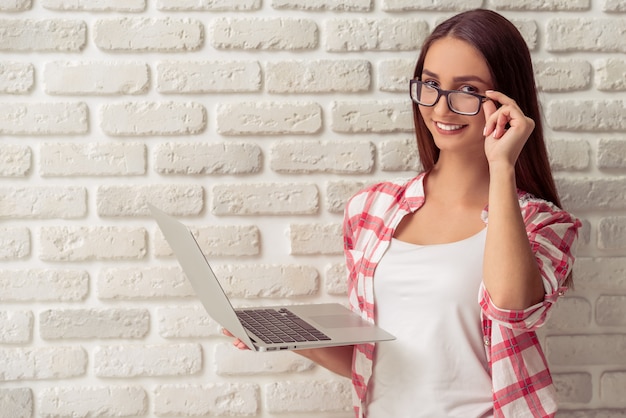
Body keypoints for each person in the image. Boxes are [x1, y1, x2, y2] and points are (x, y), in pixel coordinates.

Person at [225, 8, 581, 418]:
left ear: (506, 103)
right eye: (430, 84)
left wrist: (502, 165)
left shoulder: (542, 224)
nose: (441, 109)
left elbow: (512, 310)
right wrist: (283, 335)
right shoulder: (370, 210)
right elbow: (373, 361)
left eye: (467, 90)